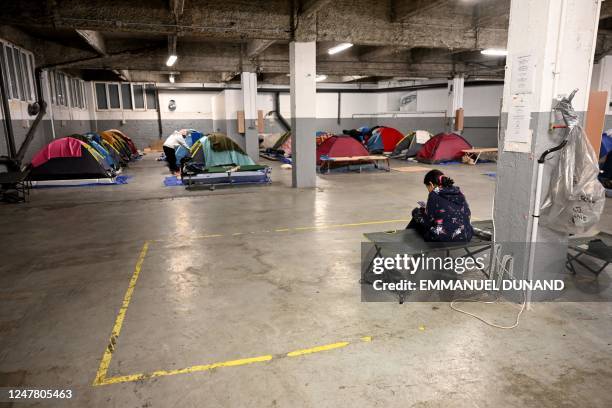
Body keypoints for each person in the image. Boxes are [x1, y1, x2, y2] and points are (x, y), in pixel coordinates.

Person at [407, 169, 473, 242]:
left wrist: (419, 213)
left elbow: (429, 220)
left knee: (417, 213)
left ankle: (405, 243)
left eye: (427, 187)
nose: (428, 190)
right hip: (466, 235)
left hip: (443, 238)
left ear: (431, 184)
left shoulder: (434, 194)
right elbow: (468, 213)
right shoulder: (459, 191)